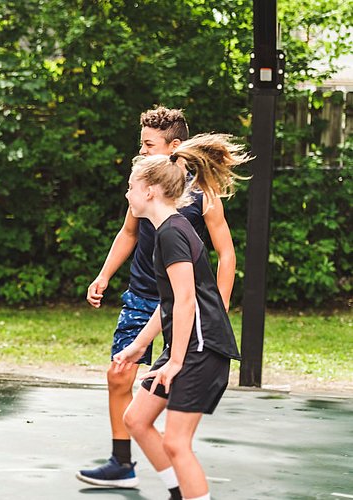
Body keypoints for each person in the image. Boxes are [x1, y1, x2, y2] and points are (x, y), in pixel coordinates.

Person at [77, 107, 237, 491]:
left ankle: (183, 490)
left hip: (189, 318)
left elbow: (196, 288)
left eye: (149, 145)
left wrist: (215, 312)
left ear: (173, 147)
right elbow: (130, 239)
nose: (143, 150)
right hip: (155, 302)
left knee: (176, 440)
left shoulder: (190, 209)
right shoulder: (147, 201)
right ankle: (125, 462)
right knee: (129, 396)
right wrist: (104, 277)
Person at [113, 134, 250, 500]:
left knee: (176, 442)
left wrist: (174, 362)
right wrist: (138, 345)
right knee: (137, 420)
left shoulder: (173, 234)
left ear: (151, 191)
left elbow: (187, 300)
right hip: (186, 345)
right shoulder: (166, 231)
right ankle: (178, 493)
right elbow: (170, 301)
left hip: (201, 350)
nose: (127, 195)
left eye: (130, 188)